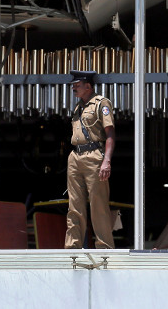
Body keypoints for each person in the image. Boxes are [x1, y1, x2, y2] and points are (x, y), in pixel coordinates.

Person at [64, 70, 116, 249]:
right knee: (74, 205)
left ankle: (104, 247)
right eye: (73, 85)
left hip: (94, 155)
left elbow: (110, 135)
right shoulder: (79, 107)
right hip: (75, 156)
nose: (74, 88)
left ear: (88, 86)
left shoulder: (101, 103)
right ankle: (73, 247)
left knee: (98, 204)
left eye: (77, 85)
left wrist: (106, 161)